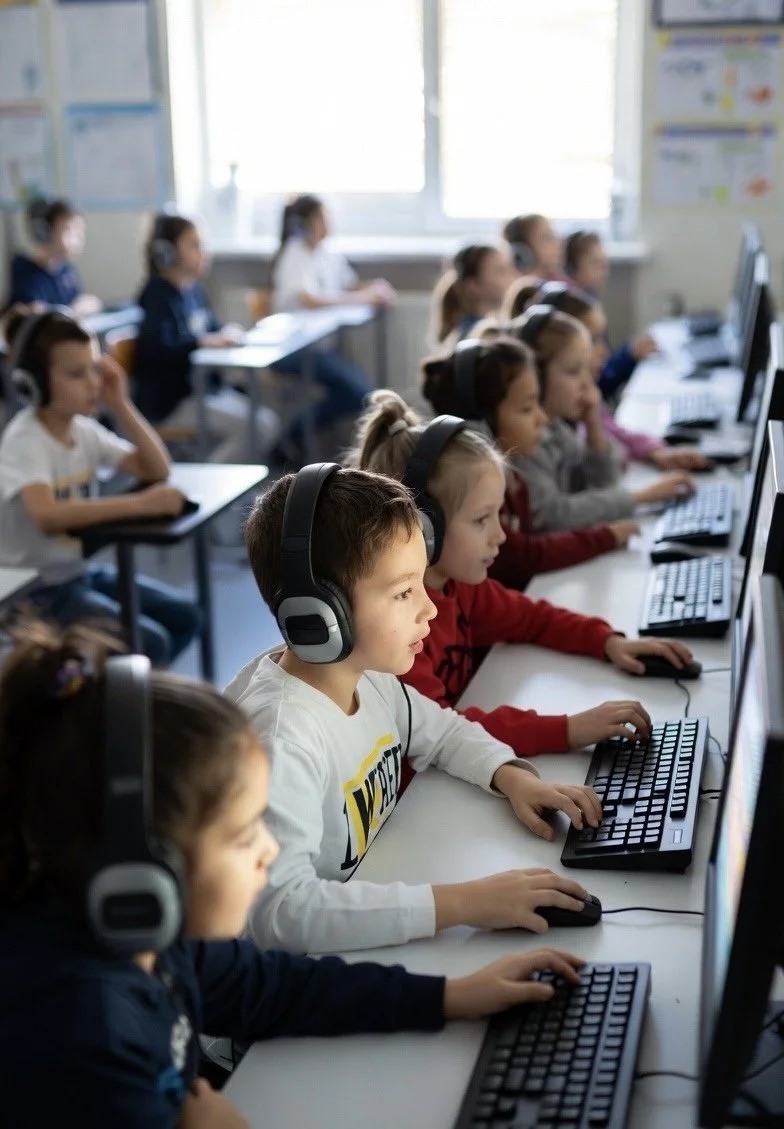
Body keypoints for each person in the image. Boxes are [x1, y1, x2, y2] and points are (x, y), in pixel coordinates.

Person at [0, 620, 588, 1128]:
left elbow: (272, 988)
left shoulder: (152, 938)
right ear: (146, 874)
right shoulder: (77, 1038)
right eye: (242, 834)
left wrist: (453, 996)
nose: (267, 851)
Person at [227, 465, 603, 954]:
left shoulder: (374, 680)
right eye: (404, 592)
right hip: (296, 988)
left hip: (367, 925)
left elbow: (442, 732)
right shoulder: (282, 739)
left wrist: (513, 777)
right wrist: (466, 904)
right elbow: (282, 914)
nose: (431, 608)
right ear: (319, 614)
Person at [351, 389, 692, 769]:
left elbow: (531, 618)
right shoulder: (398, 632)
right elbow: (446, 731)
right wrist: (569, 729)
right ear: (424, 526)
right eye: (482, 520)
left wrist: (607, 642)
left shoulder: (460, 586)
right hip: (418, 798)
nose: (500, 535)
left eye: (498, 515)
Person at [0, 307, 199, 667]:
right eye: (77, 374)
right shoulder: (25, 440)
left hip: (75, 574)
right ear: (35, 383)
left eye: (95, 368)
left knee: (185, 616)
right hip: (34, 594)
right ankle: (117, 715)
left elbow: (156, 467)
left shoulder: (83, 430)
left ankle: (124, 706)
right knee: (149, 642)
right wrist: (142, 505)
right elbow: (47, 515)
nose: (93, 382)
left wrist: (120, 403)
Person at [419, 334, 639, 590]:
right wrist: (605, 536)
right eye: (526, 408)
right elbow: (525, 555)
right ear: (481, 426)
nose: (542, 419)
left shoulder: (517, 484)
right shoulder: (472, 498)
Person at [507, 306, 694, 530]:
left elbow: (606, 482)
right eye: (574, 372)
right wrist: (639, 498)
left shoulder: (557, 428)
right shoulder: (526, 443)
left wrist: (594, 426)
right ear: (537, 376)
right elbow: (553, 515)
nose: (588, 385)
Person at [135, 213, 280, 463]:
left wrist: (225, 335)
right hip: (174, 402)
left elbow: (214, 332)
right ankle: (215, 479)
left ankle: (220, 477)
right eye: (194, 245)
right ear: (167, 252)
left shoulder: (195, 291)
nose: (204, 252)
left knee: (266, 422)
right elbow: (159, 350)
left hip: (206, 391)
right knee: (260, 427)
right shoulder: (156, 296)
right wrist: (201, 342)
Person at [523, 282, 709, 472]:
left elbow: (613, 432)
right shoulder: (556, 421)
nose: (604, 350)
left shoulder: (575, 402)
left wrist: (655, 452)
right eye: (593, 340)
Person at [270, 194, 393, 458]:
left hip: (321, 349)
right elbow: (310, 299)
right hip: (296, 350)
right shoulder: (295, 254)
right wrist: (362, 297)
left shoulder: (327, 254)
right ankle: (289, 438)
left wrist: (375, 288)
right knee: (360, 393)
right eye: (321, 219)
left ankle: (294, 437)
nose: (328, 225)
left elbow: (348, 285)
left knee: (357, 392)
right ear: (304, 224)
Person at [564, 229, 657, 397]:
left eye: (604, 264)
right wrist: (630, 355)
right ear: (571, 268)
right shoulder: (574, 313)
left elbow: (605, 364)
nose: (604, 272)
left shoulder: (590, 301)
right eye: (596, 264)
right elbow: (600, 381)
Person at [6, 197, 102, 316]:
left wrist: (84, 305)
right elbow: (34, 311)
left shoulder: (67, 271)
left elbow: (85, 301)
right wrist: (71, 311)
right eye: (68, 231)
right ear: (45, 232)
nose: (77, 241)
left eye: (79, 233)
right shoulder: (24, 268)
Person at [429, 244, 514, 347]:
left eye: (510, 269)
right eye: (500, 271)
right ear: (473, 286)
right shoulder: (475, 339)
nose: (512, 277)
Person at [502, 214, 565, 281]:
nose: (557, 243)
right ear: (523, 250)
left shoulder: (558, 280)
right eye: (546, 238)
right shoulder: (520, 288)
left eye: (553, 236)